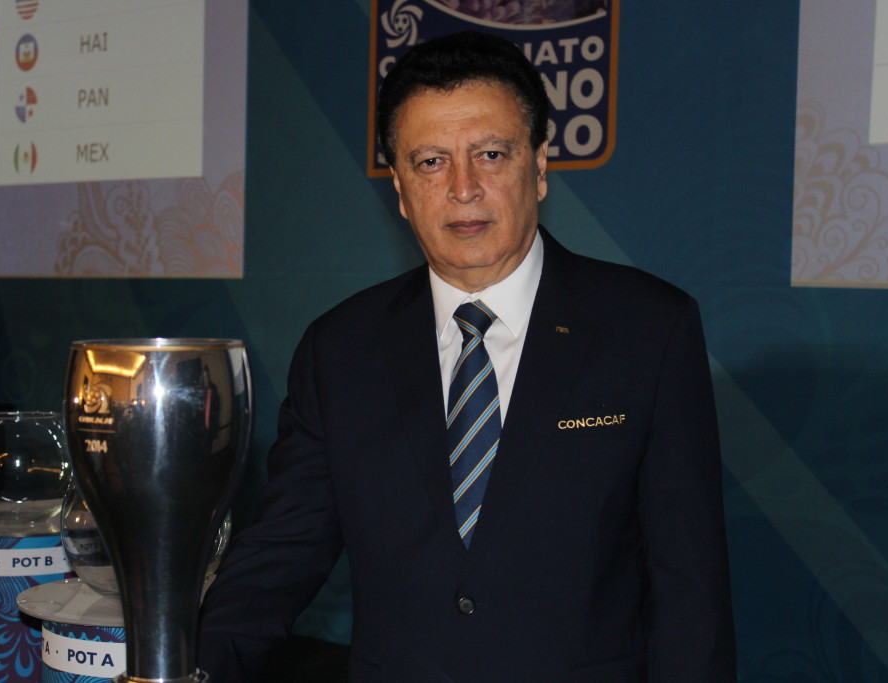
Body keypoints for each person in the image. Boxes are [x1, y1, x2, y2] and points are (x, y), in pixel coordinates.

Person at [198, 30, 735, 681]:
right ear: (398, 188)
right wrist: (177, 662)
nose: (462, 188)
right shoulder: (339, 350)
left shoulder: (649, 329)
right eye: (430, 162)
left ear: (539, 167)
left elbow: (690, 589)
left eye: (490, 154)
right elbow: (281, 553)